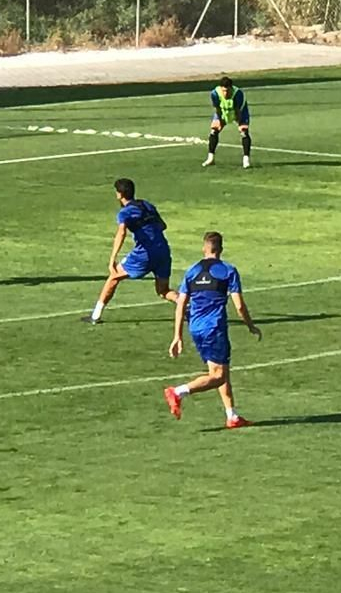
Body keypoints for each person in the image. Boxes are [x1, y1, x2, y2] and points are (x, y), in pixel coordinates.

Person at [164, 231, 262, 427]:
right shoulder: (228, 271)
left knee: (219, 370)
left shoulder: (192, 271)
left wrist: (177, 336)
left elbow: (181, 303)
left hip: (195, 327)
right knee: (218, 377)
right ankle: (178, 392)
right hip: (214, 327)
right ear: (221, 249)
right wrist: (251, 326)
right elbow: (240, 306)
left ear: (204, 248)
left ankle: (232, 416)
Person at [84, 178, 178, 324]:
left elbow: (121, 233)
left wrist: (112, 258)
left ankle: (96, 315)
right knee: (163, 290)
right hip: (163, 250)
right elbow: (162, 225)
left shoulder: (125, 213)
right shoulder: (147, 205)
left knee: (113, 277)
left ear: (119, 194)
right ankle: (187, 305)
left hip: (144, 254)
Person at [203, 75, 251, 169]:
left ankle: (246, 160)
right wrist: (221, 120)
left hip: (239, 111)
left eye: (228, 91)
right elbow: (217, 108)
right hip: (223, 110)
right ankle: (210, 158)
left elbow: (238, 111)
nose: (226, 93)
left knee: (244, 131)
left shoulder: (238, 94)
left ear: (231, 88)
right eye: (224, 91)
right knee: (214, 130)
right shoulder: (215, 94)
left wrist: (239, 122)